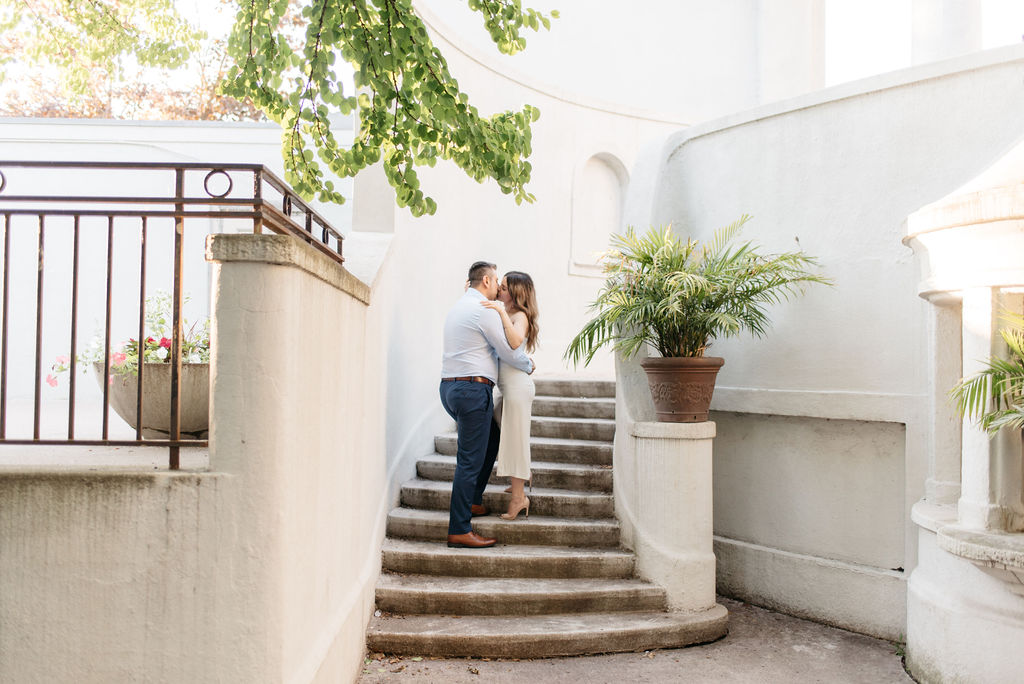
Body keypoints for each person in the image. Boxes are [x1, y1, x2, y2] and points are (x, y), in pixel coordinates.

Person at [440, 261, 535, 548]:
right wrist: (528, 364)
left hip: (450, 387)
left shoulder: (460, 305)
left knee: (492, 439)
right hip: (471, 389)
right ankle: (459, 528)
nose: (498, 289)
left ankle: (473, 500)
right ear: (485, 281)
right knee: (469, 461)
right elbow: (507, 350)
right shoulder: (484, 309)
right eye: (497, 282)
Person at [480, 271, 539, 521]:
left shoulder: (519, 315)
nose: (499, 291)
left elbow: (514, 343)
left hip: (516, 388)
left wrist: (501, 312)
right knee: (501, 427)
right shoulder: (510, 313)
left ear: (515, 294)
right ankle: (522, 475)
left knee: (514, 441)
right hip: (509, 388)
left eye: (504, 288)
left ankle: (518, 498)